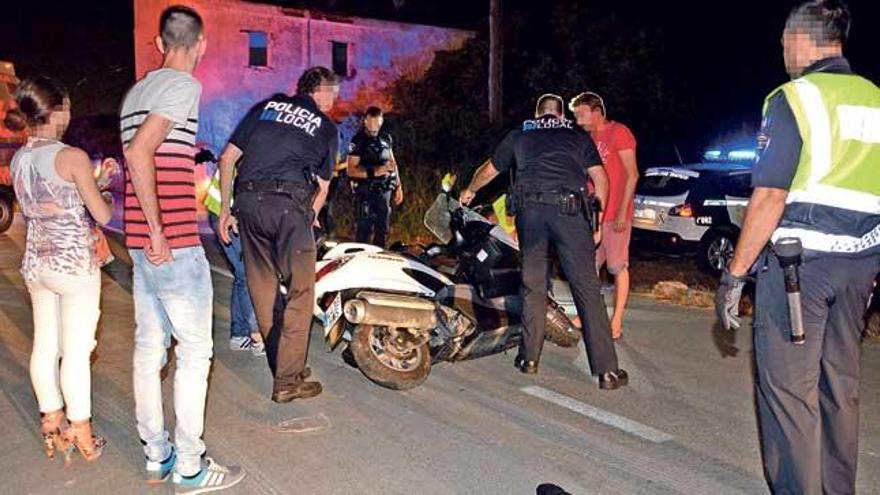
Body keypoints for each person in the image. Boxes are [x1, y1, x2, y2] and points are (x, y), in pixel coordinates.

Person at [715, 1, 879, 492]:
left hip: (798, 271)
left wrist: (734, 275)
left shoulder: (795, 98)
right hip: (861, 267)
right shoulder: (873, 98)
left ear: (801, 39)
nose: (784, 51)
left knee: (789, 394)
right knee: (839, 388)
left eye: (786, 41)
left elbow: (769, 194)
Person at [120, 5, 244, 492]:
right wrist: (158, 230)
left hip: (140, 243)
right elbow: (138, 152)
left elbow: (135, 155)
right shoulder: (183, 85)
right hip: (170, 242)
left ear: (158, 42)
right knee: (194, 354)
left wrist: (144, 233)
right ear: (202, 44)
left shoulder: (137, 90)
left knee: (149, 350)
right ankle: (190, 466)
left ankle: (157, 452)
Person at [461, 94, 628, 390]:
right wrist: (598, 221)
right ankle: (607, 372)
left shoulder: (520, 135)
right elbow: (601, 179)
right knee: (587, 288)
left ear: (537, 114)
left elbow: (488, 170)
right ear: (561, 114)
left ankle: (529, 359)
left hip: (532, 216)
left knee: (533, 285)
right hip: (571, 214)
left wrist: (470, 190)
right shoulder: (578, 137)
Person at [216, 66, 339, 403]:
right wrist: (310, 216)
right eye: (334, 91)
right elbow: (324, 187)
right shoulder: (327, 127)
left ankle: (285, 368)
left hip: (249, 206)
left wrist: (226, 210)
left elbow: (227, 159)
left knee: (265, 293)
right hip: (288, 207)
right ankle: (287, 380)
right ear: (321, 91)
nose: (336, 98)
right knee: (301, 291)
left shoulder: (265, 107)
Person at [7, 76, 112, 465]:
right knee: (77, 351)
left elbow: (50, 202)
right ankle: (81, 429)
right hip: (72, 265)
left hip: (37, 263)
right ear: (56, 111)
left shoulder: (19, 158)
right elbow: (99, 212)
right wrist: (103, 188)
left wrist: (90, 185)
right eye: (67, 107)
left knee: (45, 344)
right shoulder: (72, 156)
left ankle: (51, 419)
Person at [569, 92, 638, 340]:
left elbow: (632, 174)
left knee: (617, 266)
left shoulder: (619, 132)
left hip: (615, 214)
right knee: (588, 266)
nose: (577, 119)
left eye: (581, 114)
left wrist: (622, 211)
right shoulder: (586, 138)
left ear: (596, 111)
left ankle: (616, 320)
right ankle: (585, 314)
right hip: (593, 215)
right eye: (575, 115)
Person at [203, 162, 264, 356]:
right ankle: (256, 336)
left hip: (228, 210)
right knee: (247, 272)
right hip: (228, 214)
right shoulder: (257, 141)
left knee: (242, 273)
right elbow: (242, 182)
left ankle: (239, 335)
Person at [347, 106, 404, 247]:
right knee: (364, 230)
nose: (373, 126)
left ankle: (379, 257)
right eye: (370, 122)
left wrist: (399, 186)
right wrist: (375, 171)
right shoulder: (358, 140)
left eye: (376, 122)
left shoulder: (386, 137)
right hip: (366, 190)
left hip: (385, 190)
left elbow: (392, 163)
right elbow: (351, 170)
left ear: (381, 121)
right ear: (365, 121)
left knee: (383, 228)